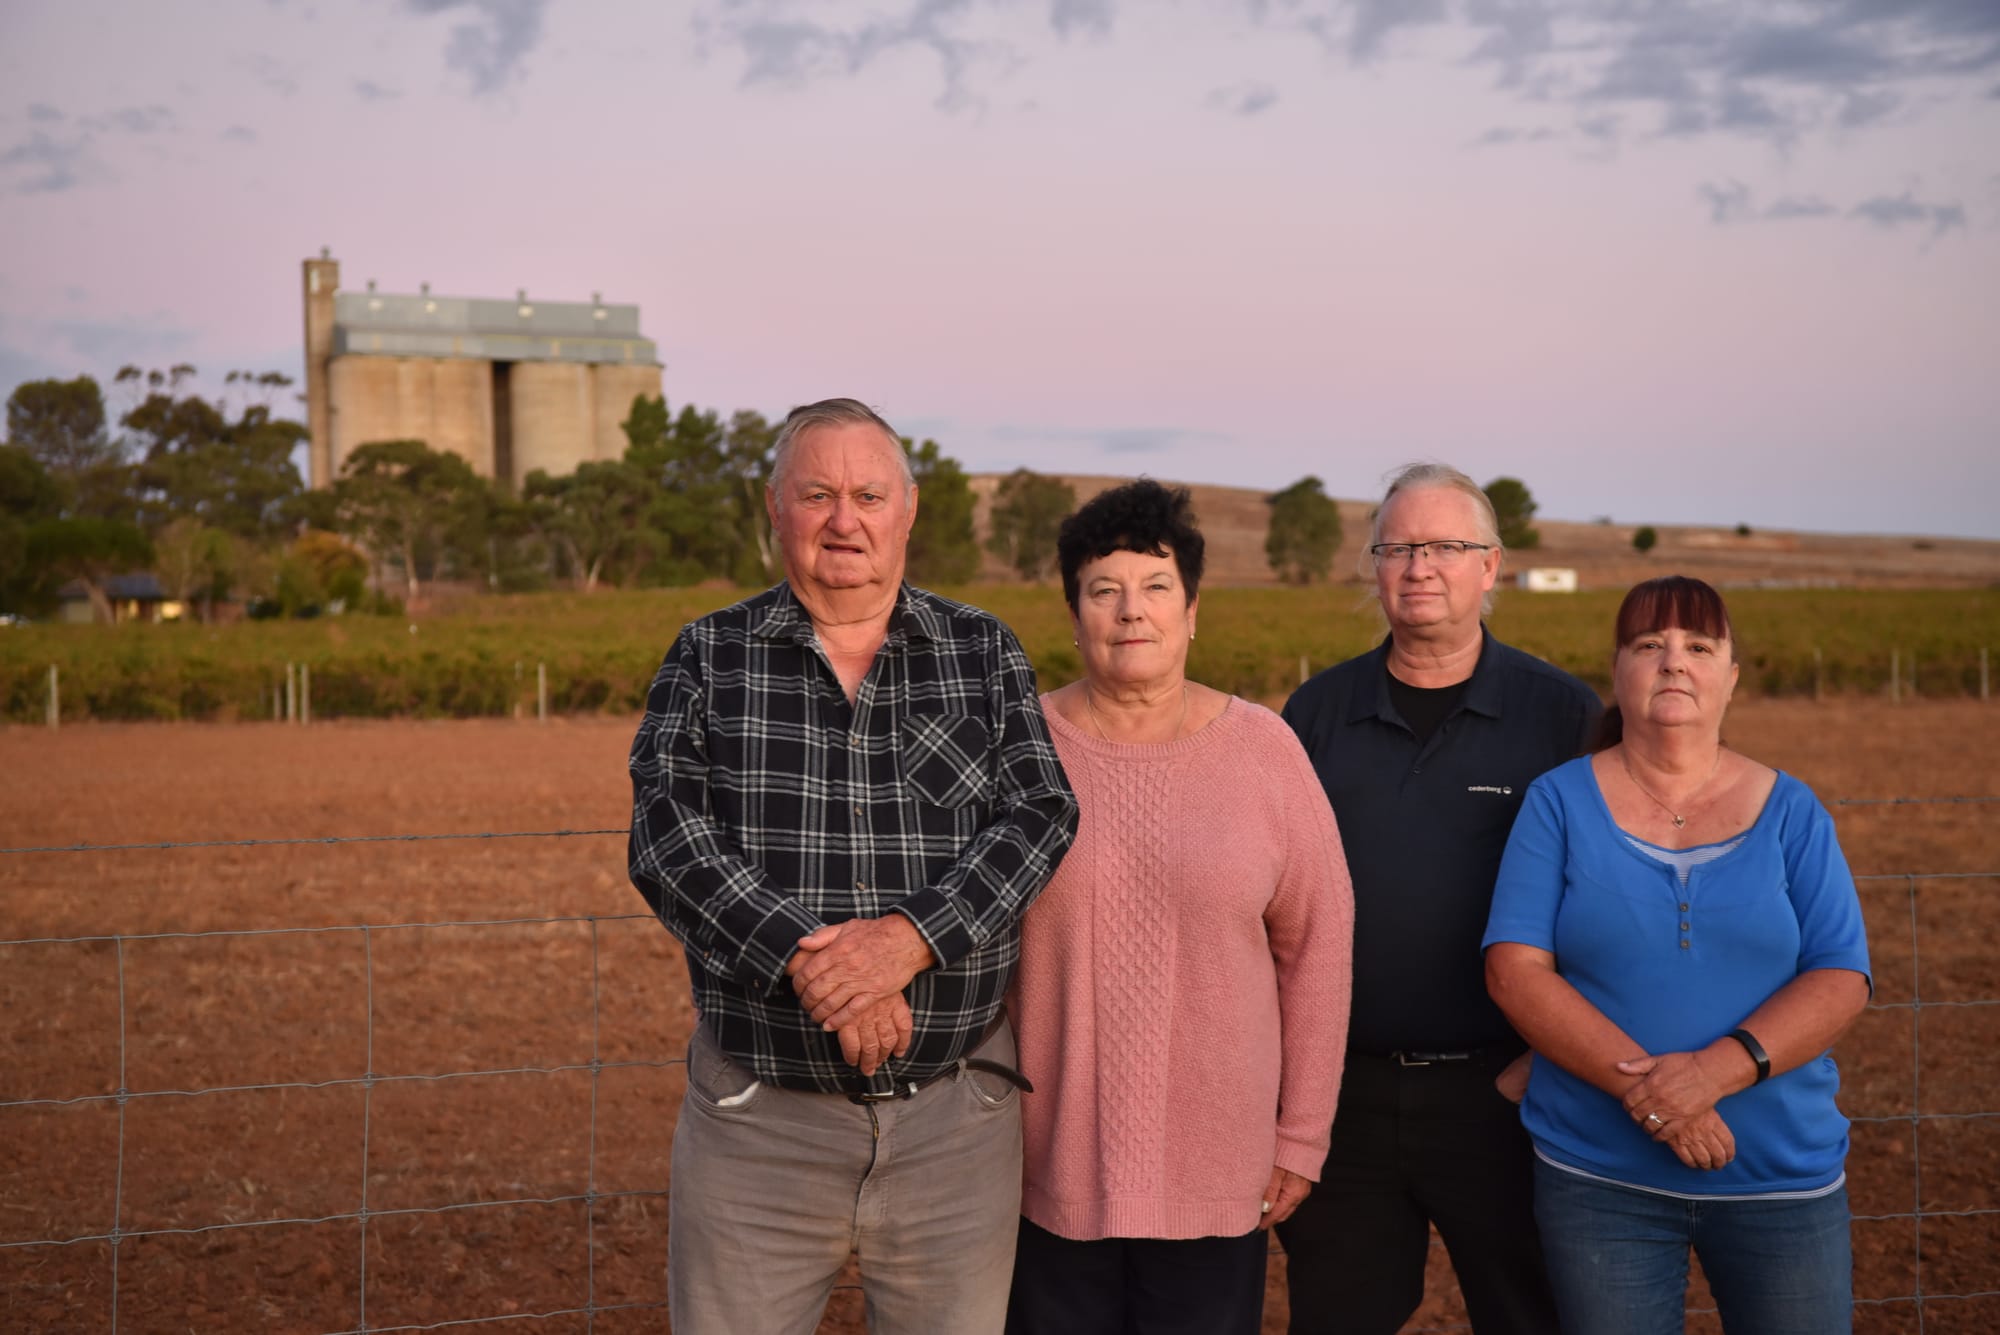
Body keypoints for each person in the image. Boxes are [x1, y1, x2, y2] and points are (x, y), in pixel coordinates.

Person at [627, 397, 1079, 1335]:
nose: (846, 519)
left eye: (869, 494)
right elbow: (668, 836)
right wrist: (818, 962)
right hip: (758, 1121)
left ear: (908, 509)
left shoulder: (981, 651)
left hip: (955, 1125)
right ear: (775, 507)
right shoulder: (711, 655)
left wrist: (910, 943)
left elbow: (1039, 814)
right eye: (818, 493)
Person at [1004, 478, 1355, 1335]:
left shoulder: (1265, 752)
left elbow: (1319, 945)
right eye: (1104, 590)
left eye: (1157, 588)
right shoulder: (1017, 746)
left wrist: (1302, 1134)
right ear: (1075, 613)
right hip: (1040, 1168)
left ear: (1193, 610)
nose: (1133, 612)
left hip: (1217, 1173)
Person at [1482, 575, 1872, 1334]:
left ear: (1730, 677)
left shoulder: (1793, 811)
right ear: (1618, 670)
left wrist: (1709, 1075)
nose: (1673, 661)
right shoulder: (1557, 802)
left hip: (1780, 1178)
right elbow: (1515, 972)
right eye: (1648, 644)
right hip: (1600, 1178)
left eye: (1698, 645)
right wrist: (1659, 1104)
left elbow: (1840, 976)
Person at [1277, 462, 1599, 1334]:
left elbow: (1609, 904)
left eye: (1445, 546)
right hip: (1345, 1099)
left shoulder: (1562, 716)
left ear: (1490, 566)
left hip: (1507, 1096)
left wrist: (1541, 1066)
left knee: (1532, 1314)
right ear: (1374, 569)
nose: (1419, 566)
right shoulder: (1314, 713)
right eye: (1398, 547)